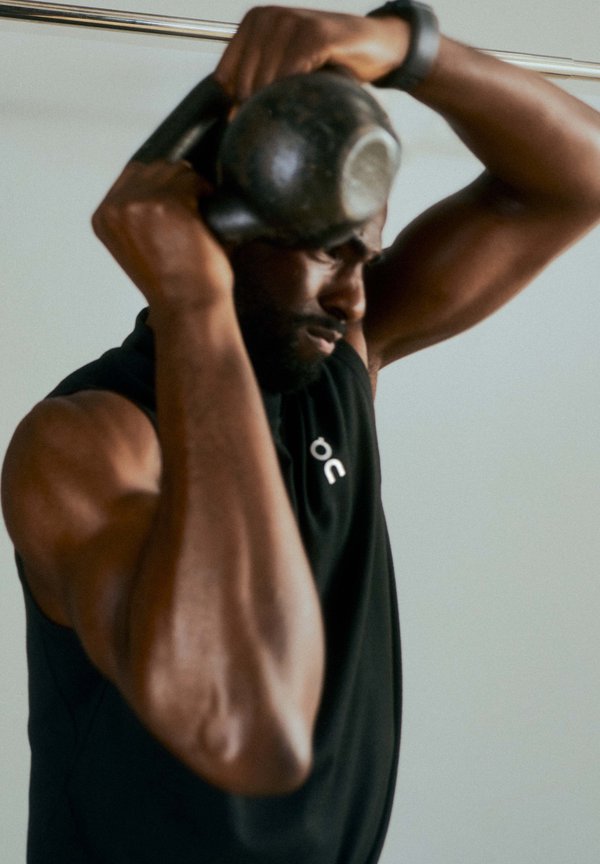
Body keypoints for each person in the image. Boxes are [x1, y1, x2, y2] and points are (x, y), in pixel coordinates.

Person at [2, 4, 600, 863]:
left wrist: (407, 48)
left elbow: (577, 180)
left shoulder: (335, 364)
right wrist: (191, 301)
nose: (354, 298)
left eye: (364, 255)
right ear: (219, 228)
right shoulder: (86, 447)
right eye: (325, 252)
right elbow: (249, 731)